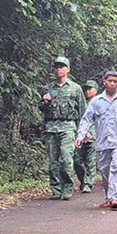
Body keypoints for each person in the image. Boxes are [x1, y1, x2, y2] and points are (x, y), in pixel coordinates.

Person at [76, 71, 117, 209]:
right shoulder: (96, 101)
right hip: (102, 142)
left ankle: (115, 197)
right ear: (104, 82)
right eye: (110, 80)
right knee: (104, 169)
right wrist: (80, 135)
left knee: (116, 166)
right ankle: (109, 197)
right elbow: (87, 119)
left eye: (116, 81)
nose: (113, 83)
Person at [39, 56, 86, 200]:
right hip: (51, 128)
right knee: (53, 161)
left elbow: (83, 111)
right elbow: (41, 107)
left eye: (62, 66)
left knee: (66, 159)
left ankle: (68, 187)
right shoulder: (49, 88)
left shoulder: (75, 88)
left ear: (68, 69)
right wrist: (45, 101)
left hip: (68, 127)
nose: (59, 69)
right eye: (57, 67)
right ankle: (56, 189)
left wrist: (83, 132)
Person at [74, 80, 99, 193]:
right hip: (80, 136)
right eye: (86, 89)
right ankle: (83, 180)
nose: (87, 91)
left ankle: (88, 184)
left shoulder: (99, 103)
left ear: (96, 90)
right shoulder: (81, 103)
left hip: (94, 136)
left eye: (90, 88)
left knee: (90, 162)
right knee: (77, 161)